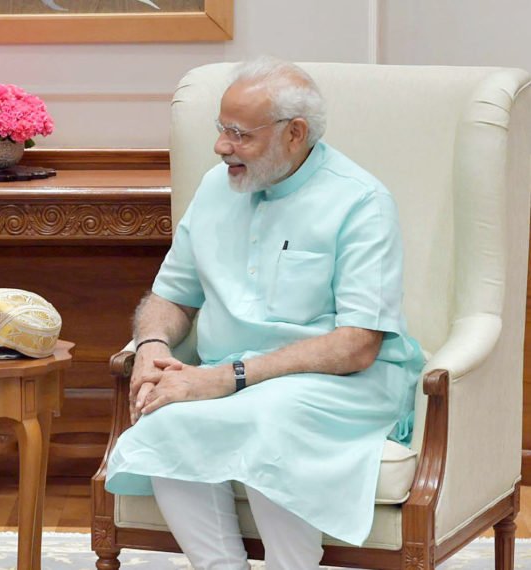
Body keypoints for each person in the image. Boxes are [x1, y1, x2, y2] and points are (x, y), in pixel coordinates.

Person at [105, 57, 426, 569]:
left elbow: (357, 344)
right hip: (228, 376)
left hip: (339, 382)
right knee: (165, 415)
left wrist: (226, 378)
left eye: (239, 134)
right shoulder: (216, 187)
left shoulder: (361, 202)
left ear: (294, 133)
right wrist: (153, 346)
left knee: (269, 418)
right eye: (220, 129)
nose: (220, 147)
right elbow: (171, 295)